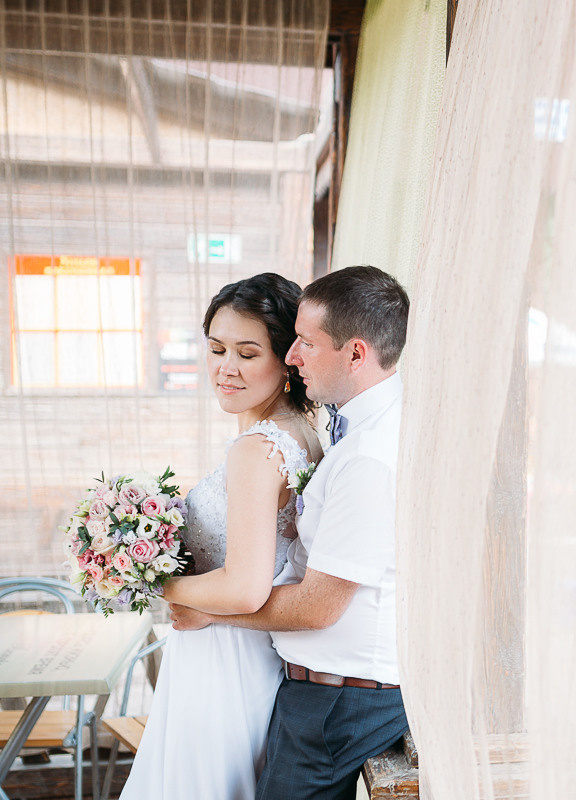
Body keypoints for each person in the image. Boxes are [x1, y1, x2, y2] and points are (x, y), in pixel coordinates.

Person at [169, 265, 411, 800]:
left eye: (305, 343)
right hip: (310, 686)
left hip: (337, 701)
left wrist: (186, 599)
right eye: (216, 349)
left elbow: (318, 606)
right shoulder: (345, 431)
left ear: (355, 353)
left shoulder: (367, 456)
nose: (295, 357)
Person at [122, 273, 322, 799]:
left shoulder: (257, 450)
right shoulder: (299, 434)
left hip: (222, 659)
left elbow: (243, 587)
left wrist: (147, 579)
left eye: (247, 353)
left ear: (288, 359)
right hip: (249, 655)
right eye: (216, 349)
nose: (225, 368)